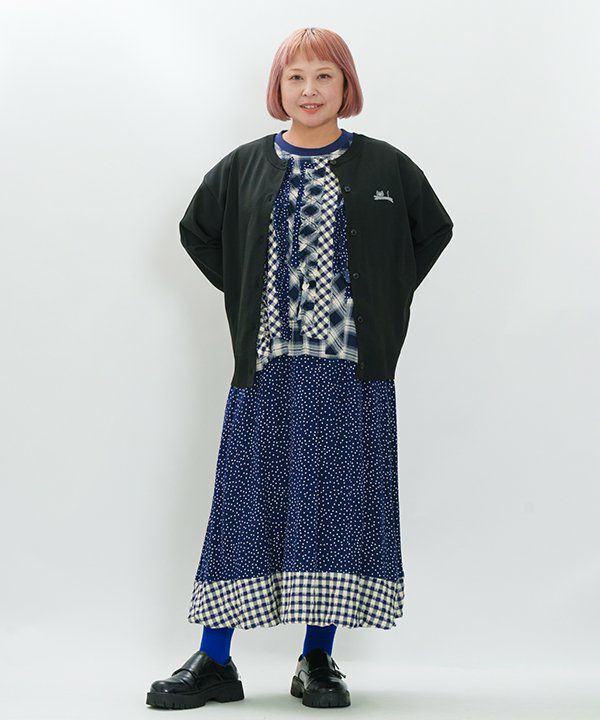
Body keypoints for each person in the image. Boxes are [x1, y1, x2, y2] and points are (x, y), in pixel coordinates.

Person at [146, 26, 453, 711]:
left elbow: (431, 233)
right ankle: (214, 659)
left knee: (336, 509)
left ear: (347, 86)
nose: (309, 90)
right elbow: (199, 233)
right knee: (243, 504)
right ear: (278, 88)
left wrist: (379, 294)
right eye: (296, 77)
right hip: (268, 369)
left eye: (324, 76)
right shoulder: (243, 167)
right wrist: (249, 290)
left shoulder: (387, 167)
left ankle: (318, 658)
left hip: (352, 371)